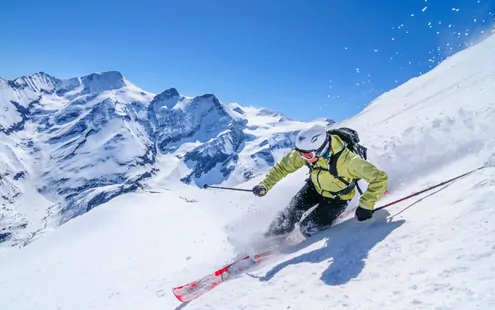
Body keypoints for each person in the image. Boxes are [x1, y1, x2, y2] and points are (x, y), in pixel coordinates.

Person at [252, 124, 388, 238]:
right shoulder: (305, 152)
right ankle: (271, 239)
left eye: (307, 155)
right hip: (314, 188)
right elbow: (282, 168)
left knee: (307, 228)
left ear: (321, 149)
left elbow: (379, 178)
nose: (303, 157)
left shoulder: (348, 161)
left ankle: (323, 229)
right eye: (300, 153)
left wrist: (366, 205)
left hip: (338, 197)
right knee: (287, 217)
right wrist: (265, 185)